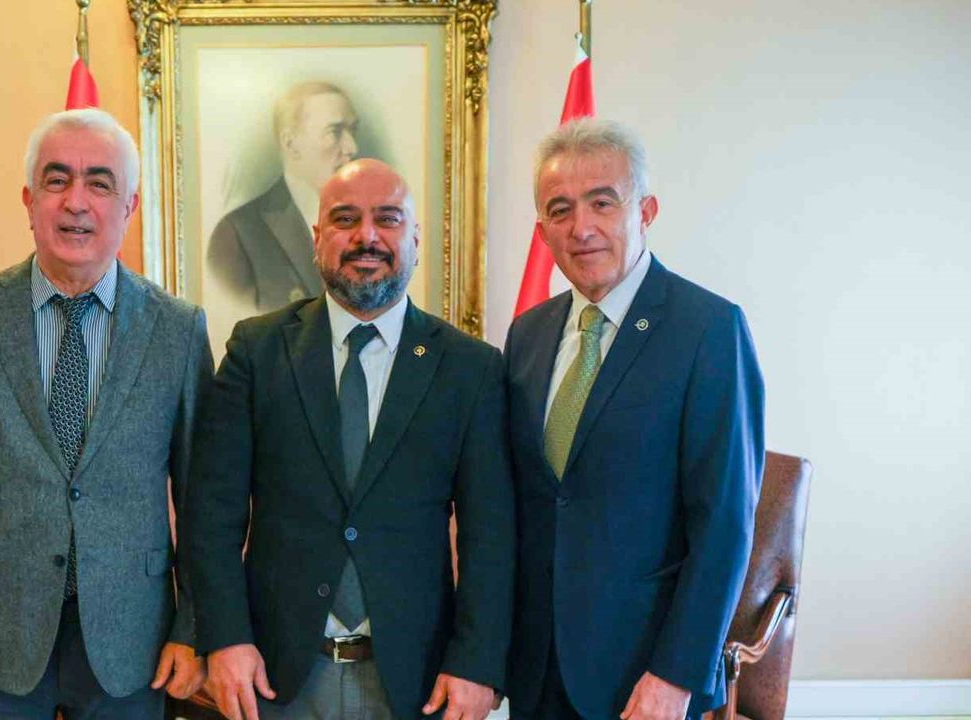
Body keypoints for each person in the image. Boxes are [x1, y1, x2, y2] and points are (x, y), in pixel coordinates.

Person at [0, 108, 211, 719]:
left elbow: (203, 499)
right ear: (28, 200)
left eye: (100, 183)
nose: (76, 202)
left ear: (130, 206)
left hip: (132, 639)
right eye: (57, 179)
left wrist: (194, 626)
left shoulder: (178, 330)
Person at [185, 158, 515, 720]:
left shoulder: (470, 368)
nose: (367, 237)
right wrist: (225, 638)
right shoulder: (257, 351)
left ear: (414, 239)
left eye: (387, 219)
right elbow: (212, 514)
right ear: (317, 238)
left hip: (416, 681)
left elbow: (490, 535)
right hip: (275, 677)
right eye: (345, 219)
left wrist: (477, 662)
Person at [504, 118, 764, 720]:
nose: (582, 227)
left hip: (645, 676)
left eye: (603, 202)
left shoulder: (708, 329)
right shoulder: (527, 335)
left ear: (645, 211)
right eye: (560, 210)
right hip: (538, 670)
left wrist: (676, 674)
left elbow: (725, 524)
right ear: (542, 232)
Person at [208, 80, 360, 312]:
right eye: (334, 131)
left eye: (352, 130)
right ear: (291, 144)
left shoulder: (367, 228)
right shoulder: (237, 234)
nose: (352, 147)